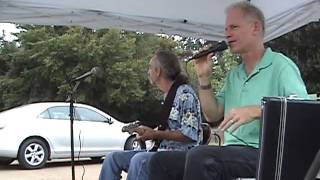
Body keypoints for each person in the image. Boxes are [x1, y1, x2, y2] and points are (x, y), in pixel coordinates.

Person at [148, 1, 309, 180]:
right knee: (159, 161)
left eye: (234, 27)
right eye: (226, 29)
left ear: (255, 28)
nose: (227, 34)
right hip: (232, 152)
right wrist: (204, 78)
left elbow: (302, 113)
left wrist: (258, 111)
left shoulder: (281, 66)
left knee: (202, 157)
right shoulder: (234, 75)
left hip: (266, 153)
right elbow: (212, 115)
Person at [99, 50, 203, 180]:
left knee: (139, 160)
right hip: (162, 152)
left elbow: (189, 134)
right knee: (112, 158)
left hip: (183, 156)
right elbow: (170, 129)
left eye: (150, 67)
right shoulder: (169, 95)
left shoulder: (185, 95)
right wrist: (150, 132)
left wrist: (155, 134)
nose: (148, 71)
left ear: (158, 71)